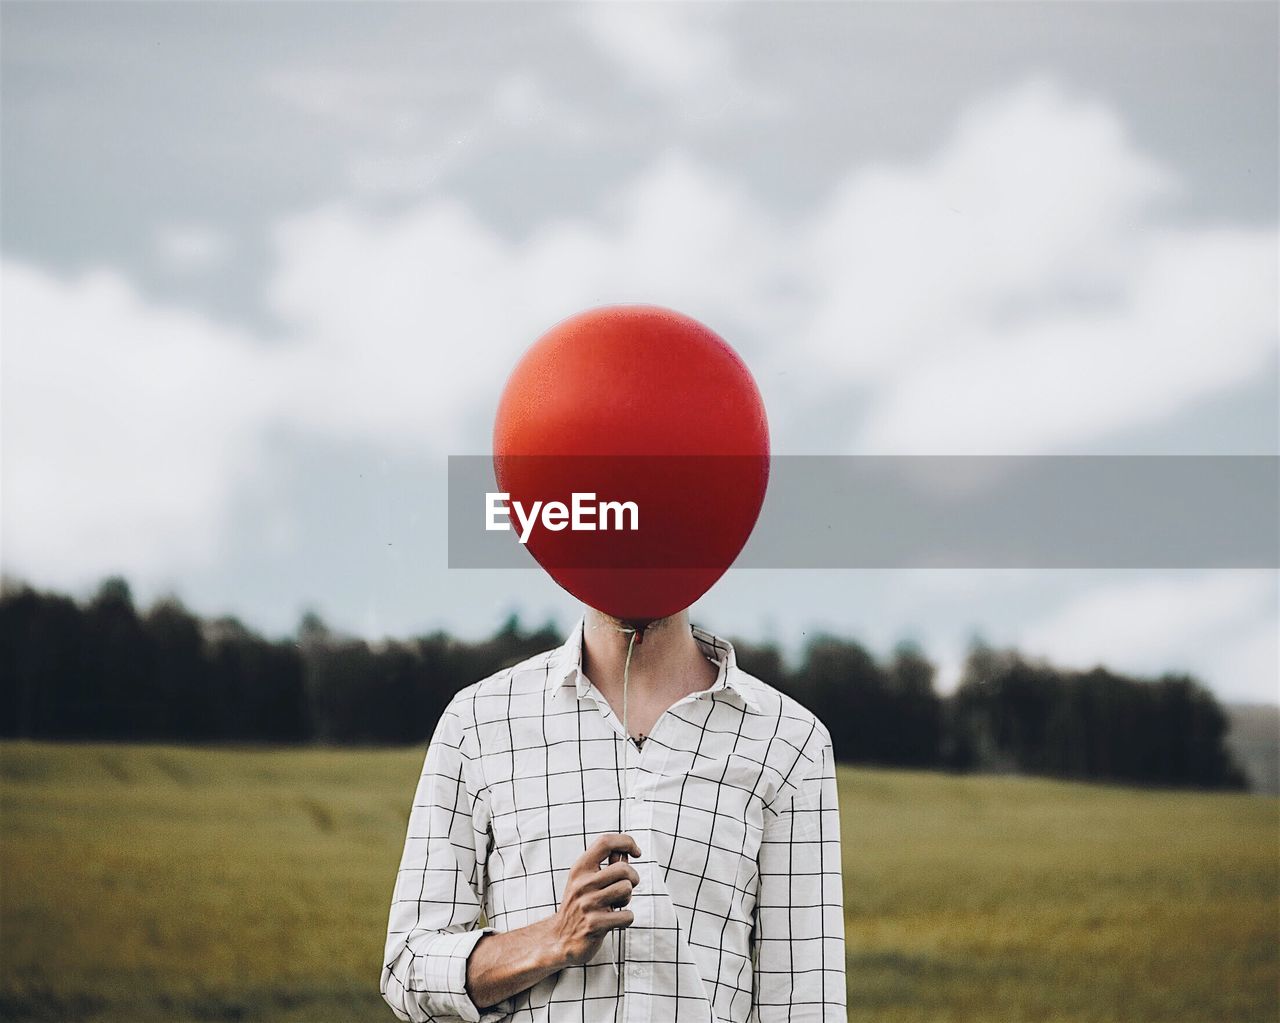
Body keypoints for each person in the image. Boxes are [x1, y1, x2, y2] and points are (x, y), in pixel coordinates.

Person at [380, 606, 846, 1022]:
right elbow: (408, 968)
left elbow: (807, 1003)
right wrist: (551, 940)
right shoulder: (478, 723)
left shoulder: (788, 741)